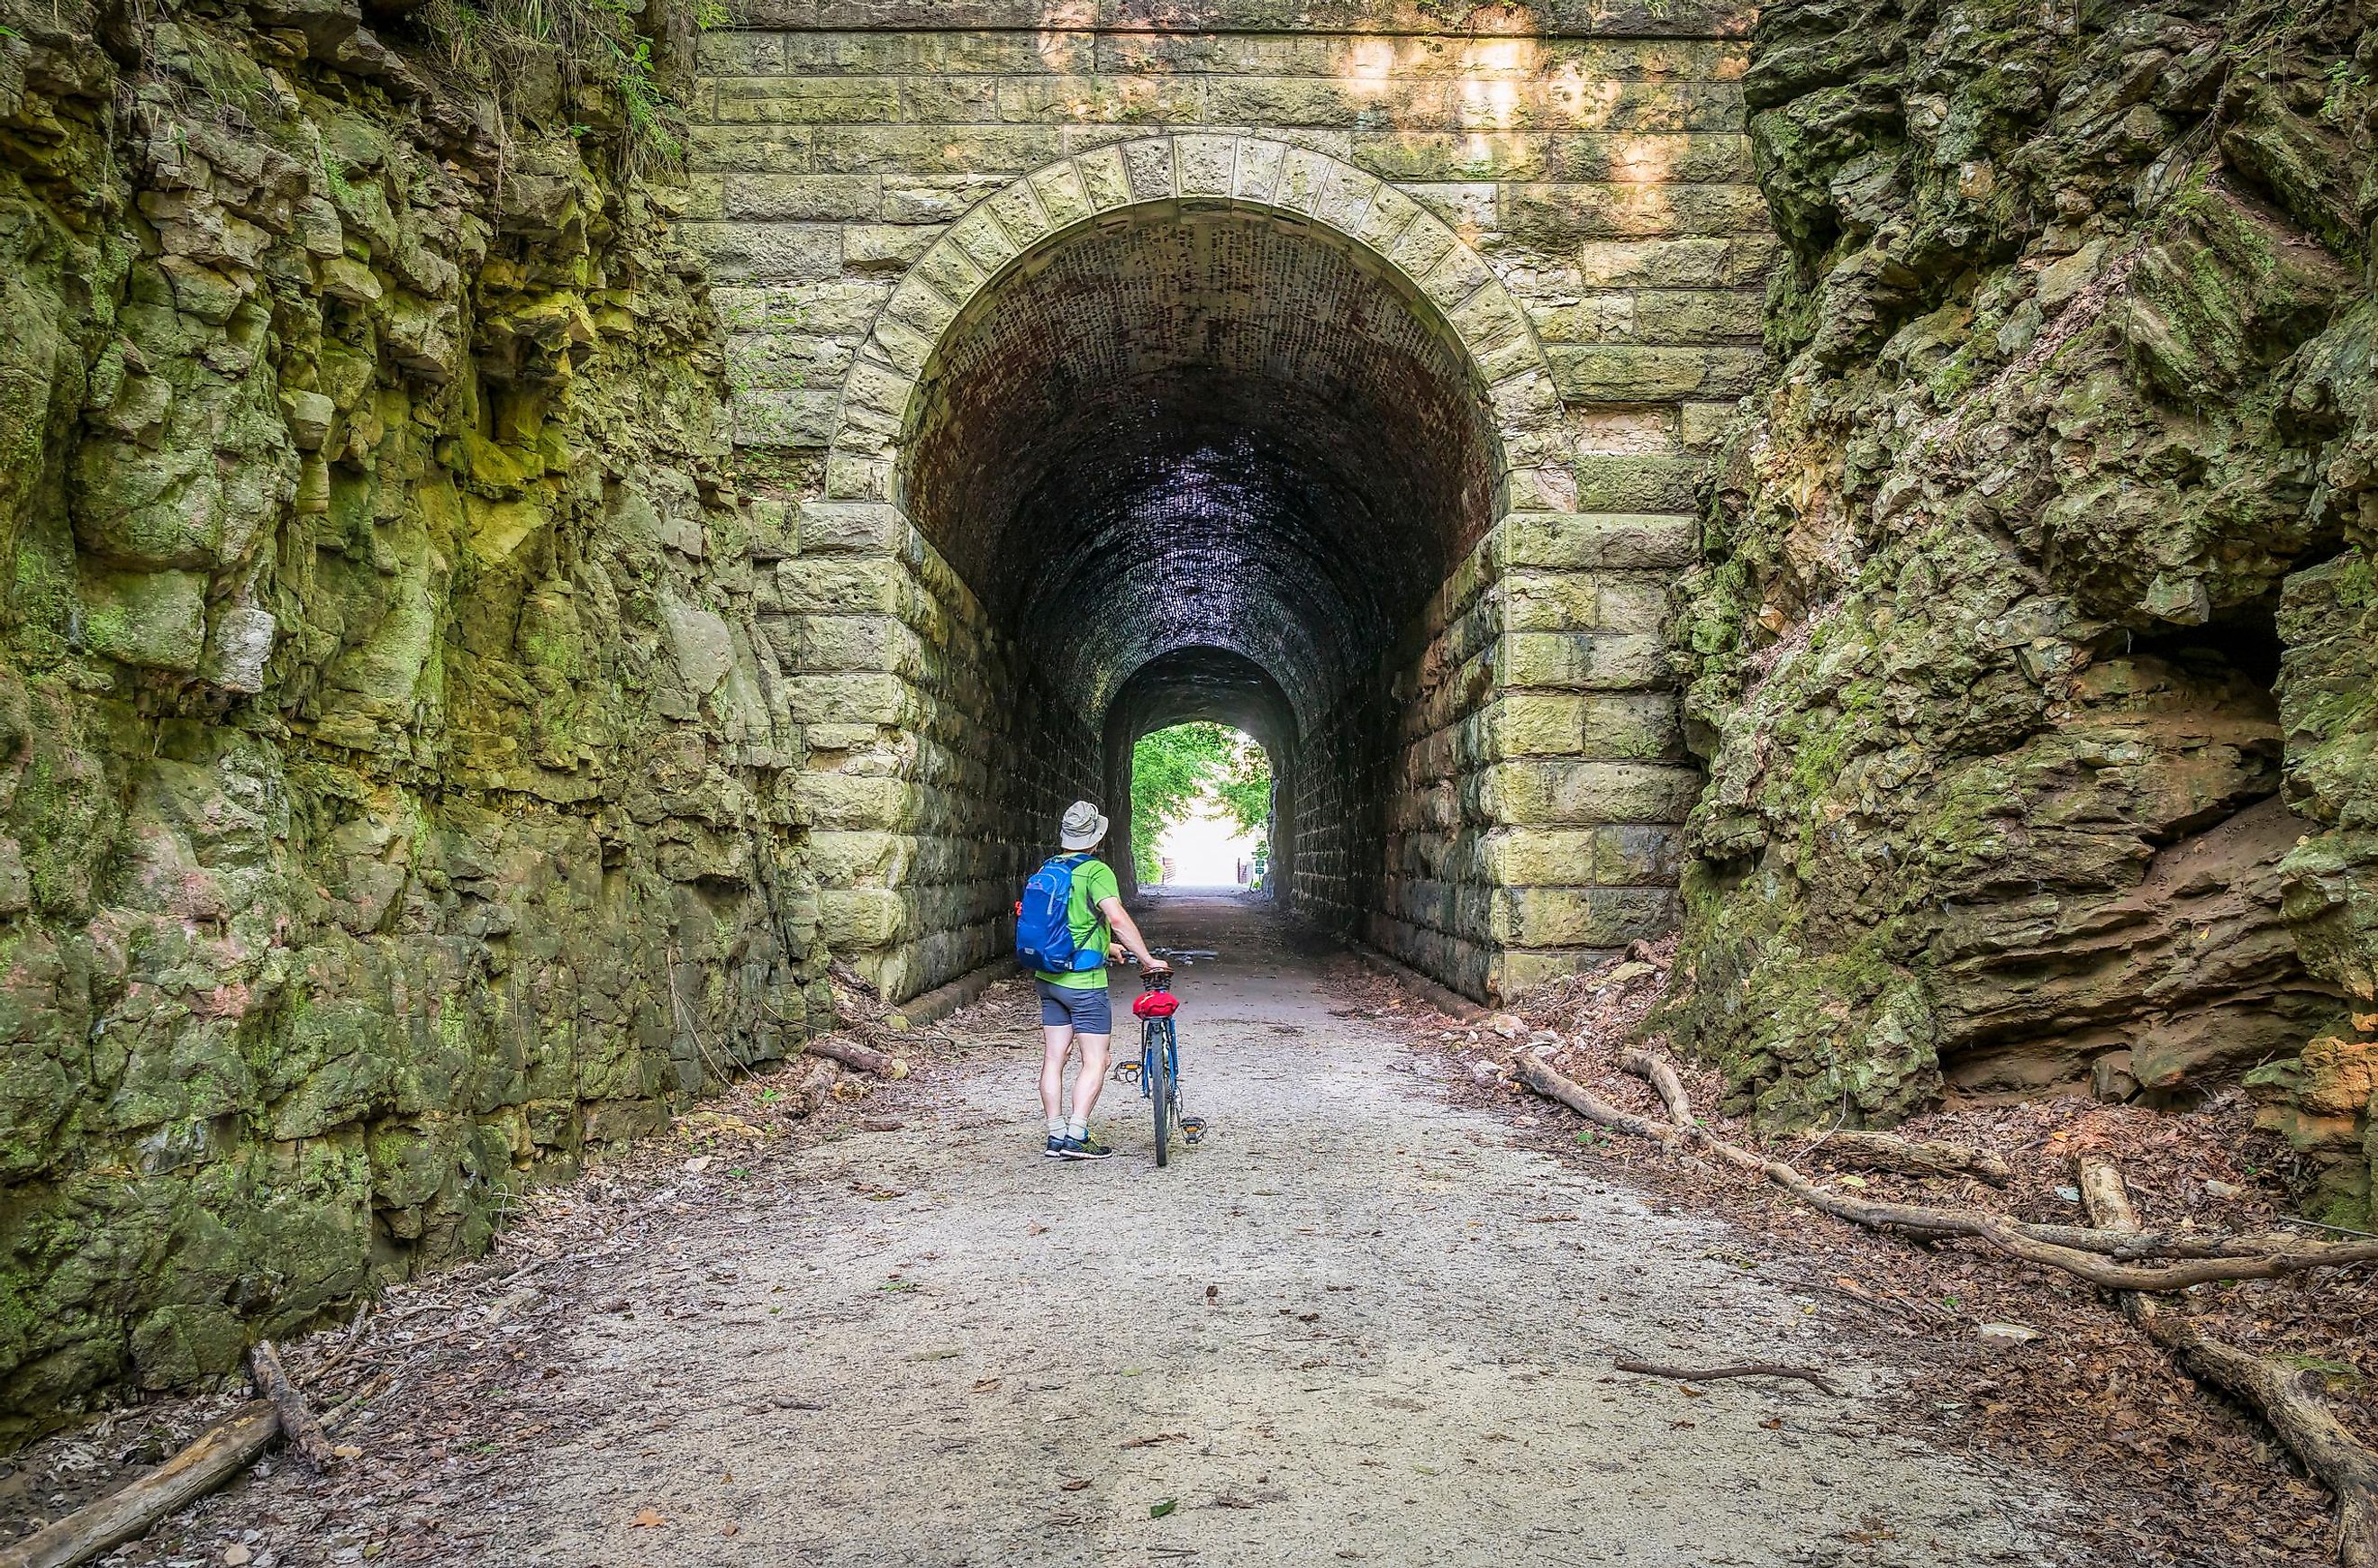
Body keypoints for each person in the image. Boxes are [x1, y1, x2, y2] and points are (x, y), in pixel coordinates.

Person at [1036, 800, 1168, 1160]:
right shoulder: (1095, 871)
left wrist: (1105, 944)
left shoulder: (1049, 868)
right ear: (1096, 839)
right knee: (1097, 1059)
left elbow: (1062, 924)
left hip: (1048, 978)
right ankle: (1077, 1135)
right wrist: (1147, 959)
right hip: (1084, 983)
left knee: (1054, 1057)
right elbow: (1117, 917)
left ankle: (1055, 1134)